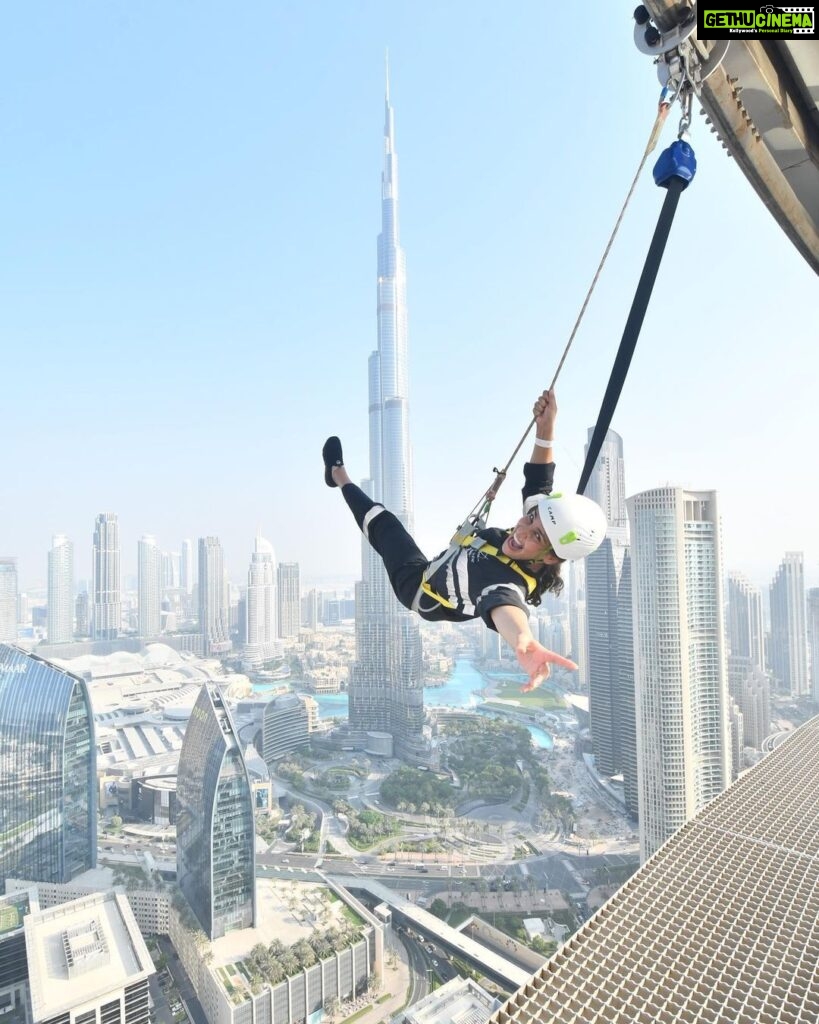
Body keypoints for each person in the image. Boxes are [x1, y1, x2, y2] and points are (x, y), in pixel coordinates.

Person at [323, 389, 607, 691]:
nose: (522, 530)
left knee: (384, 524)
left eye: (536, 535)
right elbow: (539, 479)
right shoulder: (533, 532)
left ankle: (339, 474)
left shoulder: (507, 583)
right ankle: (337, 474)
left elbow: (507, 609)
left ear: (549, 557)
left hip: (417, 587)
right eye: (531, 517)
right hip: (437, 565)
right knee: (388, 524)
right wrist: (546, 427)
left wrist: (524, 640)